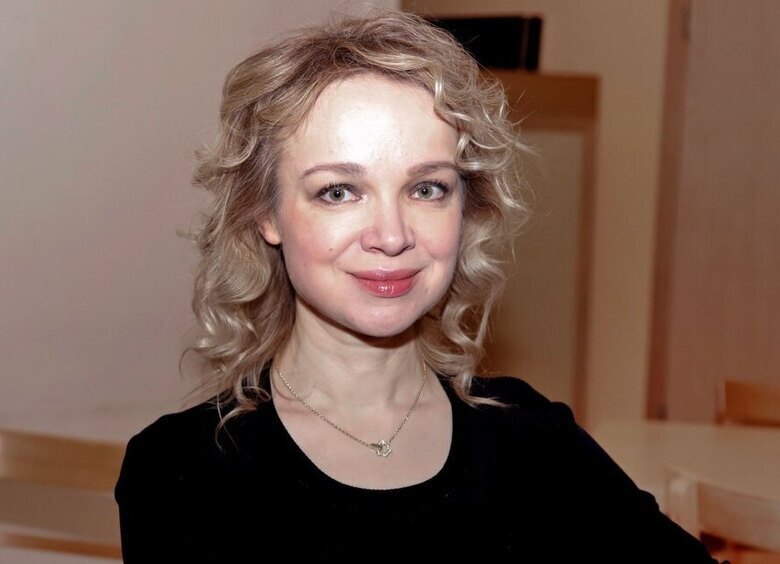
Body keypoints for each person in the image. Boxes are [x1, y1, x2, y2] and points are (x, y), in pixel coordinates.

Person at [114, 9, 724, 562]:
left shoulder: (532, 439)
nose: (392, 235)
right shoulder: (181, 472)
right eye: (339, 191)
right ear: (265, 213)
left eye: (426, 188)